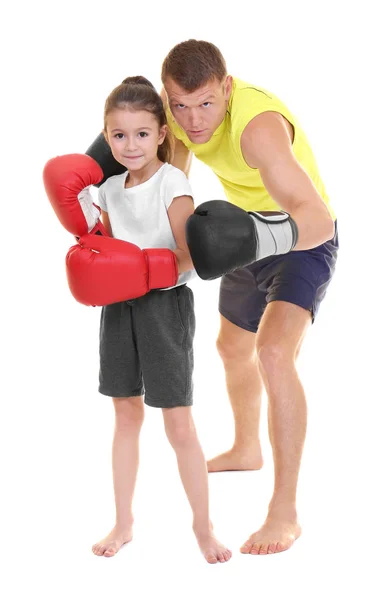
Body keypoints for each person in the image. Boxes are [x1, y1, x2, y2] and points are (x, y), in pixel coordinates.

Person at [160, 40, 339, 555]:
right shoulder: (179, 120)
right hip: (244, 233)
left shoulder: (257, 128)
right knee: (231, 347)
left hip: (298, 238)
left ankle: (284, 512)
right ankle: (245, 447)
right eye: (180, 105)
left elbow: (317, 218)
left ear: (228, 88)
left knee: (274, 351)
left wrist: (248, 240)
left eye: (207, 104)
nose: (194, 121)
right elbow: (172, 189)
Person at [80, 76, 232, 563]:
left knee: (178, 424)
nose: (130, 145)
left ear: (162, 134)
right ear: (107, 136)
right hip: (118, 306)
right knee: (125, 415)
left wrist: (147, 268)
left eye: (142, 134)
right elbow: (90, 240)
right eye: (119, 135)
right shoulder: (105, 189)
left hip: (164, 305)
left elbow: (188, 255)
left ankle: (204, 527)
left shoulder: (173, 182)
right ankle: (123, 523)